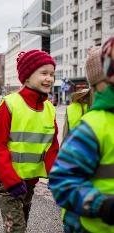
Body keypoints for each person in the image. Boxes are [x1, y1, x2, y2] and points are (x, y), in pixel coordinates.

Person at [0, 50, 59, 233]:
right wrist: (11, 180)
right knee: (17, 229)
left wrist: (57, 176)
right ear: (27, 77)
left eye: (52, 74)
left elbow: (52, 148)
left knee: (21, 226)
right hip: (6, 182)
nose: (49, 78)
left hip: (29, 182)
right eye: (44, 73)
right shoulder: (11, 104)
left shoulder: (50, 109)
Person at [49, 38, 114, 233]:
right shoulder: (94, 126)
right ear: (100, 84)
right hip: (91, 226)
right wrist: (102, 205)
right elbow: (62, 179)